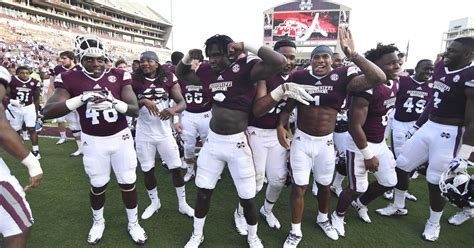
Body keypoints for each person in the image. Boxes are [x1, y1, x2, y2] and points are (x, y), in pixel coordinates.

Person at [176, 34, 288, 248]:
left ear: (230, 52)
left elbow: (279, 62)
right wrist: (189, 56)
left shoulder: (246, 66)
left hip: (237, 142)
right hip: (213, 142)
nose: (212, 60)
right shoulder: (207, 71)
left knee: (247, 197)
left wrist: (247, 45)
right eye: (209, 56)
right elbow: (182, 73)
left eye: (217, 55)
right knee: (203, 193)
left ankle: (253, 236)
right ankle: (197, 234)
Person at [278, 27, 387, 247]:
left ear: (331, 59)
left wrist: (353, 54)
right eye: (316, 57)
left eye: (325, 56)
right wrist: (282, 126)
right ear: (310, 60)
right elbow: (288, 107)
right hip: (302, 140)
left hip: (326, 142)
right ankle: (295, 230)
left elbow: (378, 77)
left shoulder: (342, 76)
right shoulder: (299, 76)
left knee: (325, 185)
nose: (321, 60)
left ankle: (323, 219)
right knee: (299, 187)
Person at [43, 35, 147, 245]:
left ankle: (133, 223)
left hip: (121, 137)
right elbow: (48, 111)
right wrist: (81, 98)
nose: (96, 64)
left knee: (128, 181)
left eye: (100, 59)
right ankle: (98, 221)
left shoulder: (119, 74)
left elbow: (134, 110)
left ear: (105, 57)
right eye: (90, 59)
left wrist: (113, 102)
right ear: (80, 58)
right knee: (98, 184)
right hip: (93, 140)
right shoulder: (69, 77)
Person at [377, 37, 474, 241]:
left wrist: (465, 154)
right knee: (402, 164)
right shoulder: (440, 67)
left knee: (435, 179)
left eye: (453, 51)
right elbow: (432, 101)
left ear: (467, 54)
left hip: (451, 132)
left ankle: (433, 223)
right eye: (448, 49)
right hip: (430, 125)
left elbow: (472, 119)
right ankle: (398, 205)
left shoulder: (470, 74)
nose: (447, 53)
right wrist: (418, 125)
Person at [331, 43, 401, 238]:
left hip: (380, 143)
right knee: (357, 187)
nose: (397, 66)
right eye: (390, 64)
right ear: (374, 66)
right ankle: (337, 215)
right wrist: (368, 155)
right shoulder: (367, 89)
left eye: (397, 61)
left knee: (389, 181)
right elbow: (354, 126)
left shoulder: (395, 82)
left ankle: (360, 204)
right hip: (361, 144)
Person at [250, 39, 306, 230]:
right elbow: (258, 110)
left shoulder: (296, 77)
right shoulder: (264, 75)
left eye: (292, 57)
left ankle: (267, 210)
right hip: (256, 130)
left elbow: (288, 110)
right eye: (284, 56)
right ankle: (240, 213)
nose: (288, 62)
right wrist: (282, 90)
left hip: (276, 133)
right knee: (255, 181)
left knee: (278, 179)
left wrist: (284, 127)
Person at [132, 51, 194, 220]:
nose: (145, 64)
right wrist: (143, 101)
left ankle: (182, 204)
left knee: (175, 168)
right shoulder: (133, 79)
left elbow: (182, 102)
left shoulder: (168, 78)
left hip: (164, 132)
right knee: (147, 170)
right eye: (142, 61)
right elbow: (129, 105)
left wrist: (173, 110)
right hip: (144, 133)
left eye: (149, 61)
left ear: (157, 63)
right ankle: (155, 202)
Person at [0, 65, 43, 248]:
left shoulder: (32, 83)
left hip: (26, 109)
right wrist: (33, 164)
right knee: (18, 227)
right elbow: (1, 129)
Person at [170, 51, 212, 183]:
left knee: (209, 145)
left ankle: (209, 171)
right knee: (188, 146)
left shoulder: (209, 77)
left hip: (206, 115)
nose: (195, 63)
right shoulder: (182, 77)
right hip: (188, 115)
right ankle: (190, 171)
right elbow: (177, 100)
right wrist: (176, 120)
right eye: (193, 60)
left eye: (198, 61)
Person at [48, 51, 83, 157]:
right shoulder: (58, 69)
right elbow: (53, 85)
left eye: (64, 58)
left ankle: (90, 148)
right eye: (61, 58)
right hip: (66, 102)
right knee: (74, 126)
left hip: (80, 101)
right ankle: (80, 148)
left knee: (84, 125)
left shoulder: (81, 69)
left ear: (72, 58)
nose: (61, 60)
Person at [6, 66, 41, 159]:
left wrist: (36, 112)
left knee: (32, 129)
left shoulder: (34, 82)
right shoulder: (11, 80)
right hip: (15, 109)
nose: (25, 75)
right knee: (16, 130)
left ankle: (36, 151)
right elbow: (5, 95)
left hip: (28, 107)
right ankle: (19, 149)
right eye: (22, 73)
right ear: (18, 73)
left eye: (27, 73)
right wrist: (12, 101)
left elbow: (36, 99)